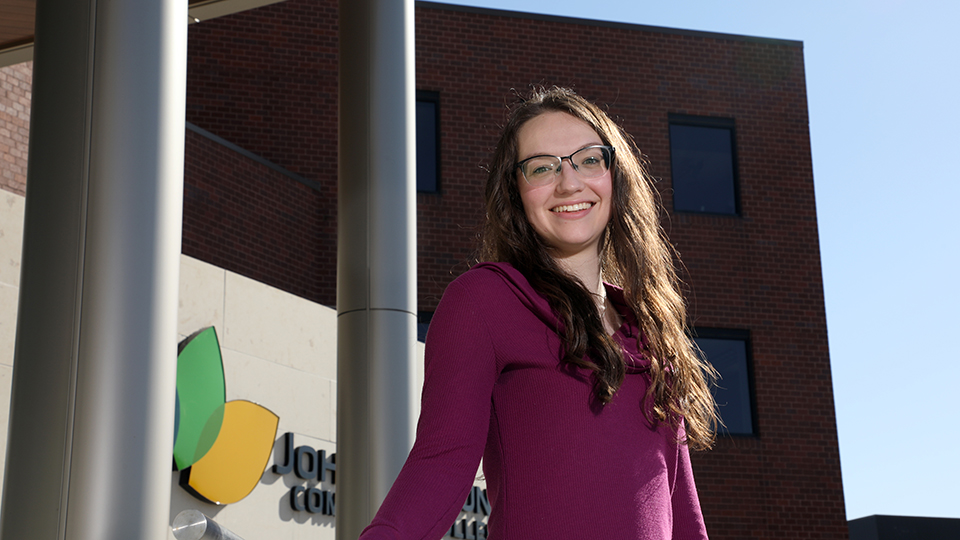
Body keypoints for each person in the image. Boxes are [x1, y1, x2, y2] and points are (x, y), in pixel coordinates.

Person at [359, 87, 717, 540]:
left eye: (588, 159)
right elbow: (439, 464)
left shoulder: (649, 326)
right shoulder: (484, 301)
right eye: (543, 168)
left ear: (614, 175)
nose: (569, 183)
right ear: (516, 192)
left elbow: (681, 511)